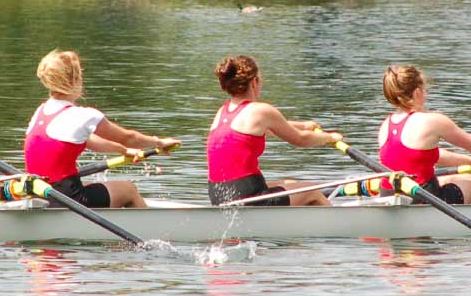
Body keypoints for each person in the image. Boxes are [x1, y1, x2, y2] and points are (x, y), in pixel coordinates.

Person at [25, 50, 180, 208]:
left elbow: (89, 141)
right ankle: (148, 231)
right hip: (67, 198)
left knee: (86, 184)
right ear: (76, 80)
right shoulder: (83, 115)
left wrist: (124, 151)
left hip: (38, 193)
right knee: (129, 189)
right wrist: (158, 142)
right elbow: (129, 138)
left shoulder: (41, 111)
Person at [206, 55, 344, 206]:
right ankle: (338, 224)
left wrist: (304, 125)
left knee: (290, 183)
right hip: (247, 195)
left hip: (218, 194)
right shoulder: (262, 110)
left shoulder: (222, 111)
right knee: (311, 191)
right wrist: (330, 137)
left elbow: (270, 129)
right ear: (254, 82)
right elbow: (301, 139)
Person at [377, 65, 471, 204]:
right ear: (417, 92)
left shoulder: (385, 125)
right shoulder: (432, 120)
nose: (426, 95)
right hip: (426, 200)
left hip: (389, 196)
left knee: (464, 177)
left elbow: (425, 155)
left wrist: (470, 161)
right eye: (425, 90)